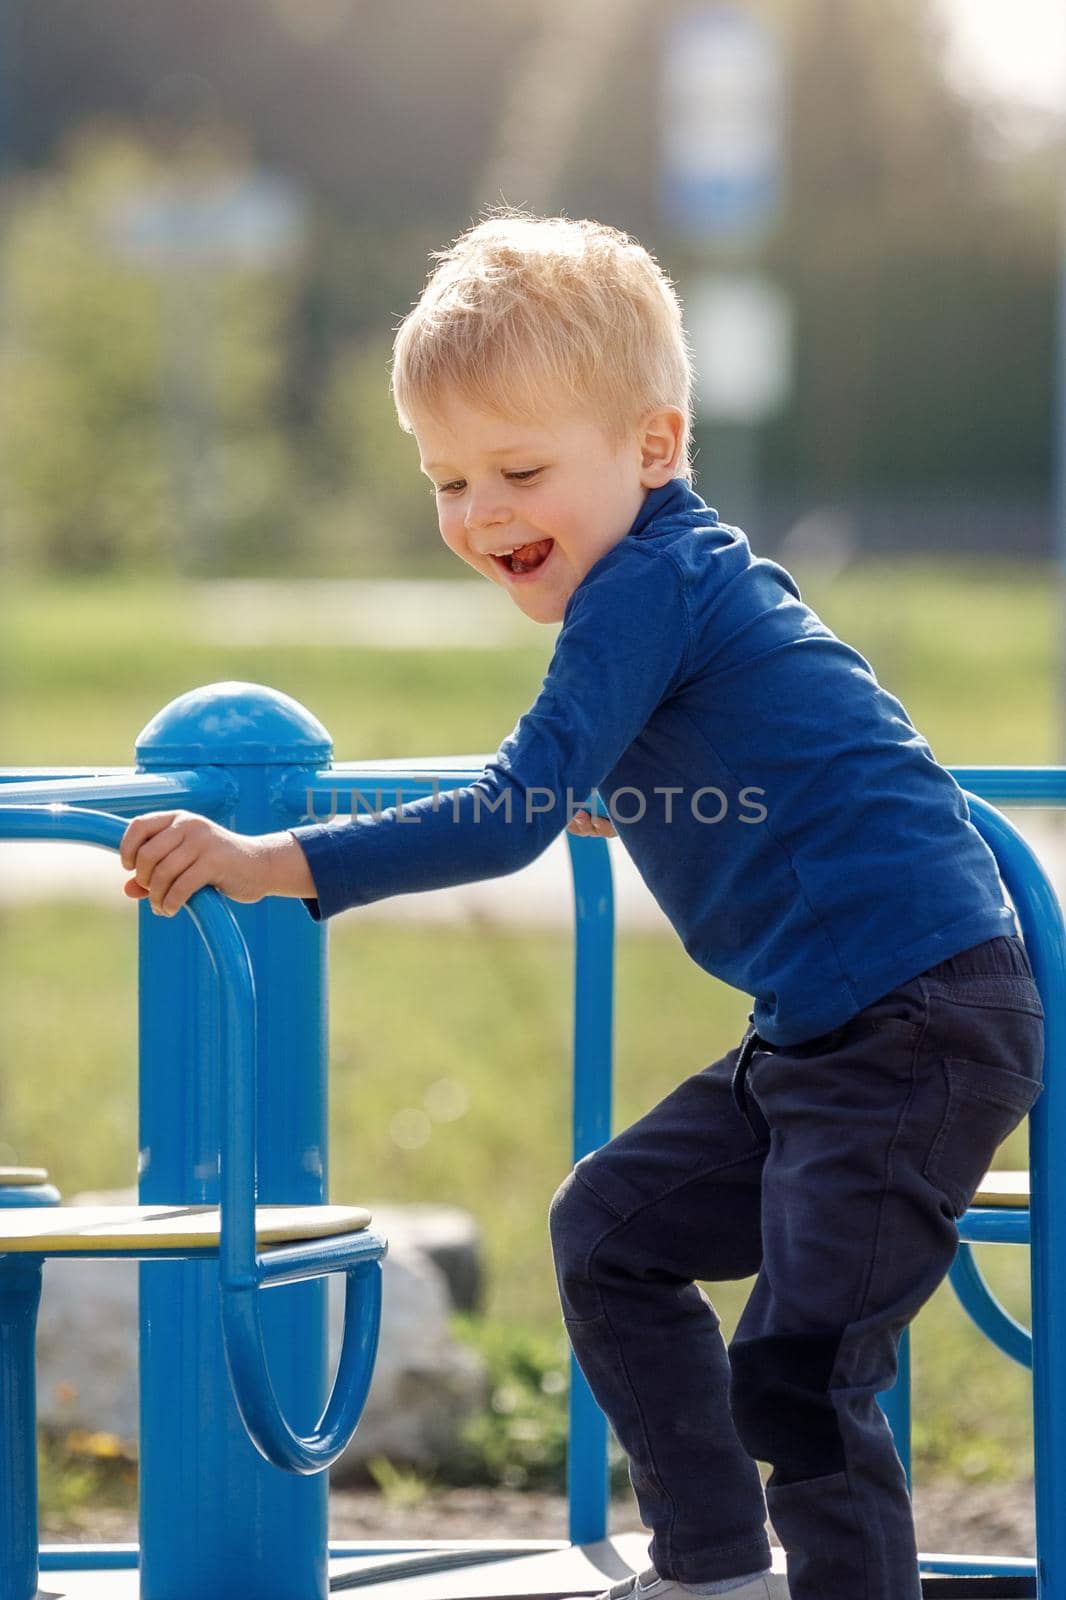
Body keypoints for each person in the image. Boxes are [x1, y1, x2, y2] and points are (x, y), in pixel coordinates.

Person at [119, 212, 1044, 1600]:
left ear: (654, 448)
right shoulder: (682, 576)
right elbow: (747, 742)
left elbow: (508, 813)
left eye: (519, 469)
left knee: (800, 1372)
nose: (481, 514)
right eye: (446, 481)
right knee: (610, 1231)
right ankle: (715, 1565)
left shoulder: (643, 588)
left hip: (909, 1031)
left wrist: (272, 860)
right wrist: (633, 787)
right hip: (832, 1033)